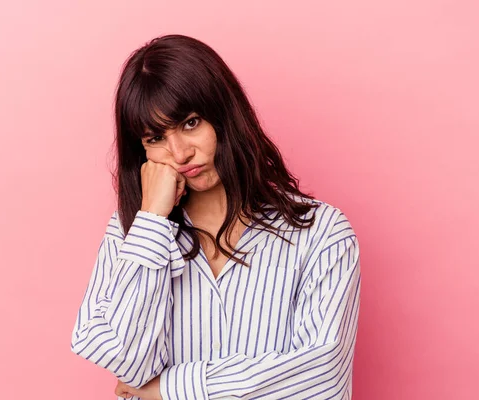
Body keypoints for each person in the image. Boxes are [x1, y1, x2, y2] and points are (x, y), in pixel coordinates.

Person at [70, 34, 361, 400]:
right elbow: (125, 361)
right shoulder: (131, 234)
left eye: (190, 123)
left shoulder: (322, 234)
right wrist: (152, 221)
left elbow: (321, 378)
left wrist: (167, 389)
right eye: (154, 138)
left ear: (225, 114)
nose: (179, 153)